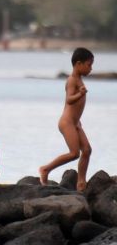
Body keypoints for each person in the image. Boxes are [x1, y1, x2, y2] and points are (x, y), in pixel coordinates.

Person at [39, 47, 95, 191]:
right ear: (78, 64)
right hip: (67, 122)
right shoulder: (72, 80)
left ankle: (81, 182)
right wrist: (80, 94)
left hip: (76, 123)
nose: (91, 69)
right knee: (74, 153)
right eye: (89, 65)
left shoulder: (79, 80)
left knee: (87, 150)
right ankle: (46, 169)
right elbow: (69, 99)